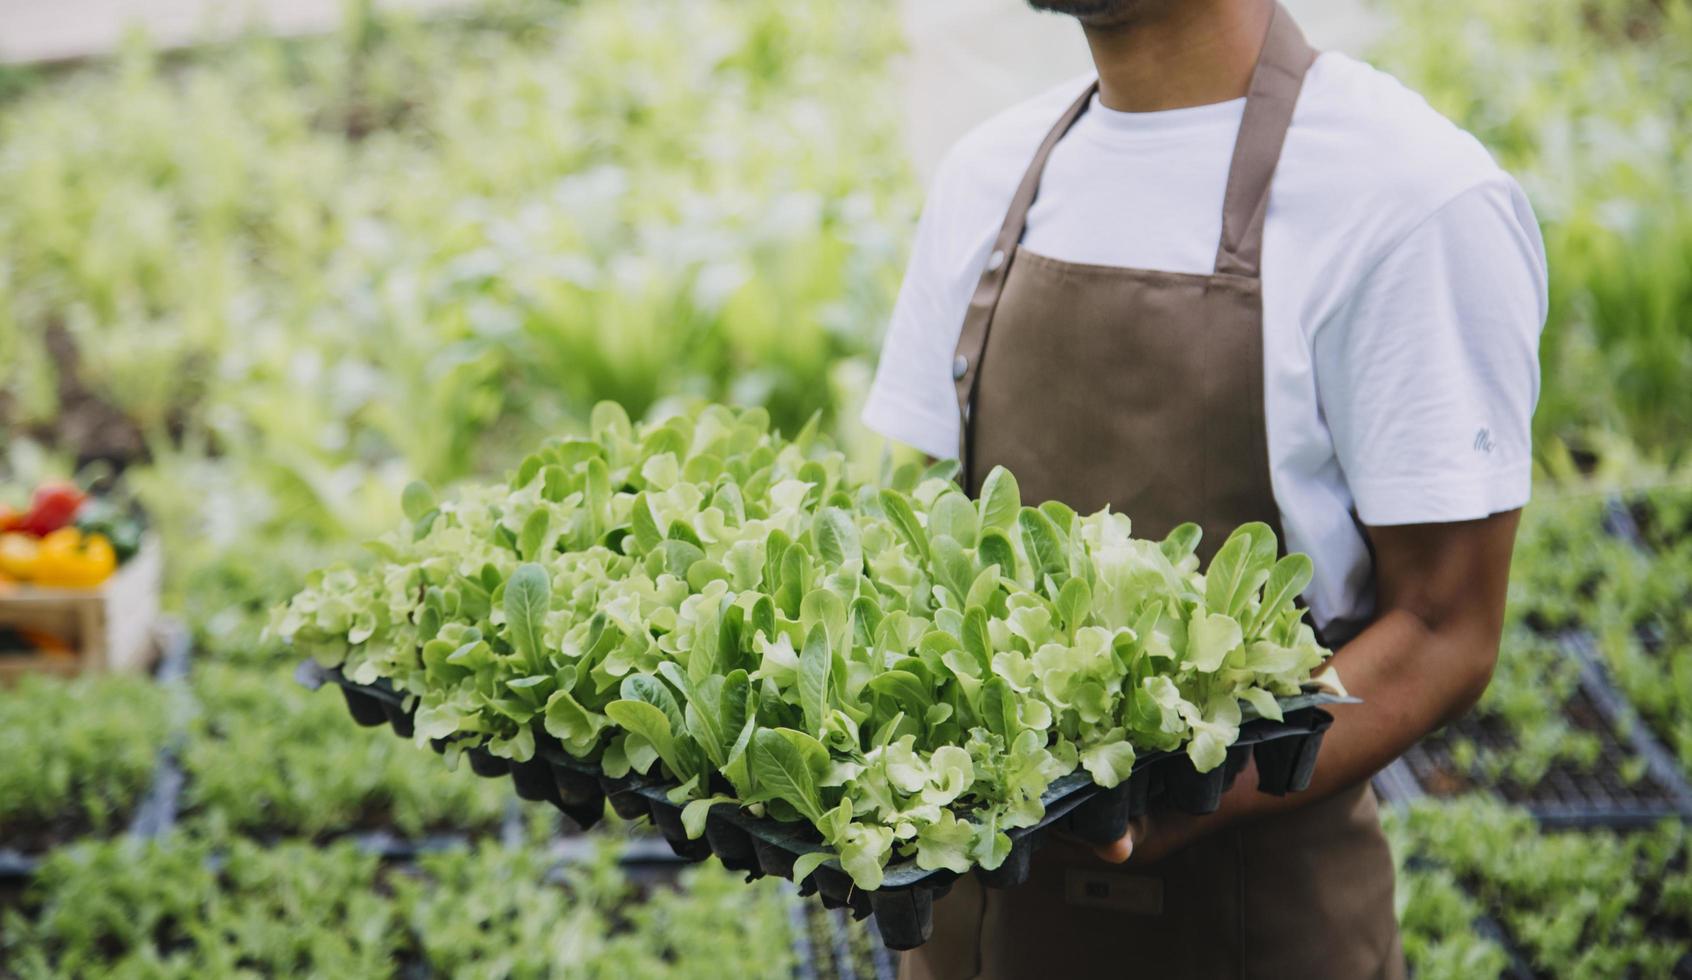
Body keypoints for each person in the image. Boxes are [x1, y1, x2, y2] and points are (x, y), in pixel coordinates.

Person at [860, 1, 1547, 977]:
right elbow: (933, 553)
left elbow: (1444, 628)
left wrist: (1166, 795)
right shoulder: (985, 176)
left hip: (1248, 930)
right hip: (973, 937)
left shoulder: (1410, 198)